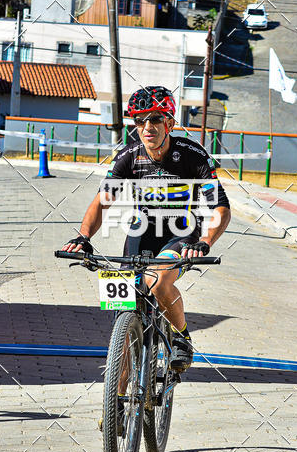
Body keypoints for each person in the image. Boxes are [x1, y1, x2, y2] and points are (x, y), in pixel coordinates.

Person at [61, 86, 231, 373]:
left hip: (182, 233)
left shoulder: (192, 155)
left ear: (170, 124)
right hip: (141, 233)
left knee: (158, 281)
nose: (147, 127)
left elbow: (221, 208)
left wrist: (205, 241)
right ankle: (115, 406)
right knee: (122, 311)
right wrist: (84, 236)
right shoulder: (129, 156)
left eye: (154, 119)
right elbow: (102, 202)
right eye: (139, 121)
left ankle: (182, 337)